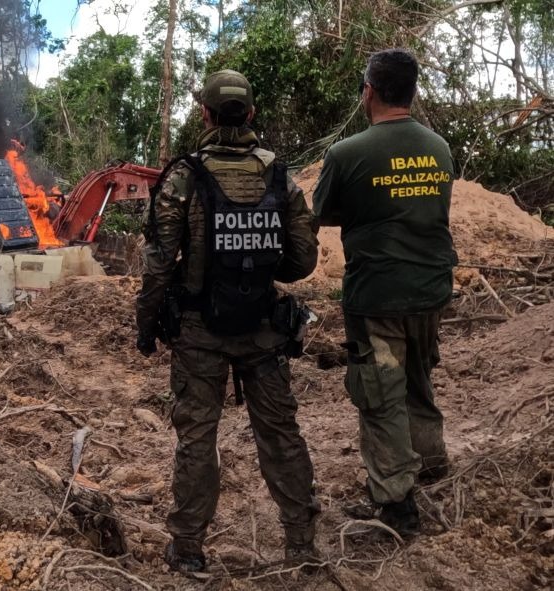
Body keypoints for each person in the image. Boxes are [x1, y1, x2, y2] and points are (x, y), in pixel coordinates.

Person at [136, 70, 321, 573]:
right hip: (263, 330)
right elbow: (303, 261)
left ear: (206, 115)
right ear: (252, 115)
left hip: (199, 335)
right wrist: (260, 267)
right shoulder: (280, 177)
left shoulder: (185, 177)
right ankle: (302, 546)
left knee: (197, 439)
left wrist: (146, 325)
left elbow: (158, 262)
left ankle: (189, 550)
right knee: (281, 434)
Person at [312, 48, 457, 537]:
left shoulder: (348, 153)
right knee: (419, 375)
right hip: (431, 289)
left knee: (380, 395)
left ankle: (396, 504)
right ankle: (432, 464)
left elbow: (324, 212)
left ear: (369, 91)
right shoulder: (439, 148)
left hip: (378, 297)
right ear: (412, 92)